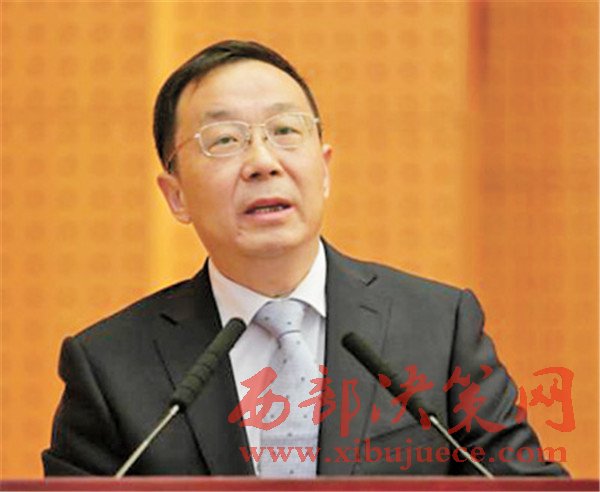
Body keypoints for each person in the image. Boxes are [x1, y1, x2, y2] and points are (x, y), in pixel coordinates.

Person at [42, 40, 567, 477]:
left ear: (325, 167)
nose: (262, 162)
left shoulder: (439, 328)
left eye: (285, 131)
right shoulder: (109, 368)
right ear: (176, 195)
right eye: (224, 140)